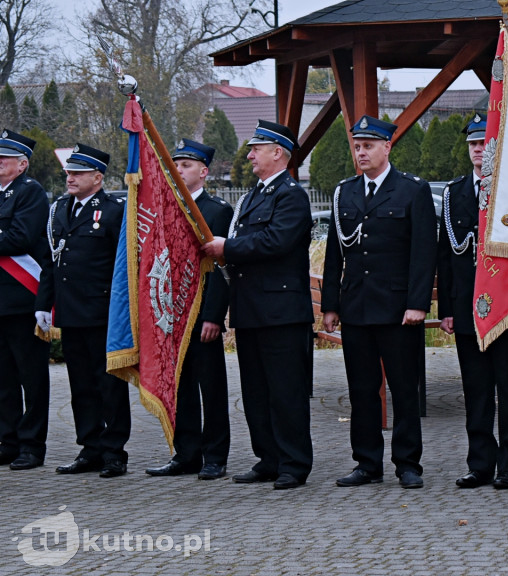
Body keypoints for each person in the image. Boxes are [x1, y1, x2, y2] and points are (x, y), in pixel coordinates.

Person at [322, 115, 436, 490]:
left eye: (369, 145)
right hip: (357, 306)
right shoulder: (345, 192)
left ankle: (408, 463)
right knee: (362, 389)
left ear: (387, 147)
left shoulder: (411, 190)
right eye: (357, 146)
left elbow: (423, 254)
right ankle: (367, 463)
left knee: (404, 389)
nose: (361, 152)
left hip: (398, 308)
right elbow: (335, 254)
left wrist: (417, 303)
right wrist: (331, 305)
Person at [201, 120, 314, 490]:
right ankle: (268, 458)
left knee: (286, 392)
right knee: (256, 392)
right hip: (251, 310)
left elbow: (276, 242)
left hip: (281, 312)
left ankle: (293, 464)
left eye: (256, 149)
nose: (249, 156)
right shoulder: (251, 197)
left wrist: (226, 248)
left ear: (277, 152)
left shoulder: (292, 195)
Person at [436, 113, 508, 490]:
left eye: (485, 143)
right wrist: (446, 307)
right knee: (476, 391)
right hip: (468, 308)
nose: (479, 151)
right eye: (474, 145)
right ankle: (480, 463)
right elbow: (446, 256)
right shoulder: (454, 193)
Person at [36, 144, 131, 478]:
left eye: (77, 173)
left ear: (98, 177)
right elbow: (52, 261)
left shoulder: (114, 210)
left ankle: (114, 452)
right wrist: (43, 306)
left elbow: (124, 265)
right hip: (71, 311)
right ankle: (90, 447)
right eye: (68, 172)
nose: (70, 178)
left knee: (109, 385)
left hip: (104, 312)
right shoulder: (60, 208)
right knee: (81, 386)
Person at [146, 139, 232, 481]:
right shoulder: (167, 211)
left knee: (210, 389)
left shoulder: (216, 211)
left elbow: (221, 270)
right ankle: (185, 453)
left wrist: (213, 315)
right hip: (172, 315)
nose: (178, 171)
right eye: (176, 165)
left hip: (201, 314)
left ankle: (215, 456)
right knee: (179, 388)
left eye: (186, 166)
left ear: (204, 172)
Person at [0, 129, 51, 471]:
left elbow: (19, 238)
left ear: (21, 164)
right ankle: (8, 440)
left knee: (30, 376)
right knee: (3, 378)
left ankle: (32, 445)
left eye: (2, 159)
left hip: (23, 297)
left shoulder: (30, 192)